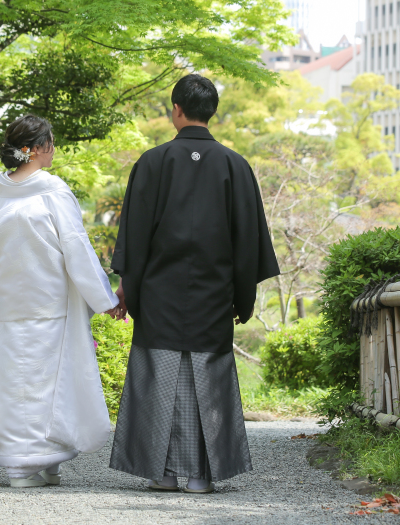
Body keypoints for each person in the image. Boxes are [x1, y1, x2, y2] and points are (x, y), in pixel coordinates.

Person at [108, 74, 280, 493]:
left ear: (177, 111)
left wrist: (128, 288)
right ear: (211, 112)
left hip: (160, 293)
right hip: (213, 294)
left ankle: (162, 473)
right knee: (209, 379)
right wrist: (244, 299)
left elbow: (135, 236)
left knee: (159, 375)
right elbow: (247, 242)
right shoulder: (235, 166)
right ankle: (202, 476)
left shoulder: (152, 161)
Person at [0, 115, 122, 488]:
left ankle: (47, 461)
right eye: (50, 142)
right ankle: (25, 465)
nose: (53, 148)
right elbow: (76, 249)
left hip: (7, 303)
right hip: (48, 302)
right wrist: (105, 298)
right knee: (49, 381)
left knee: (16, 381)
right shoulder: (53, 191)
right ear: (37, 149)